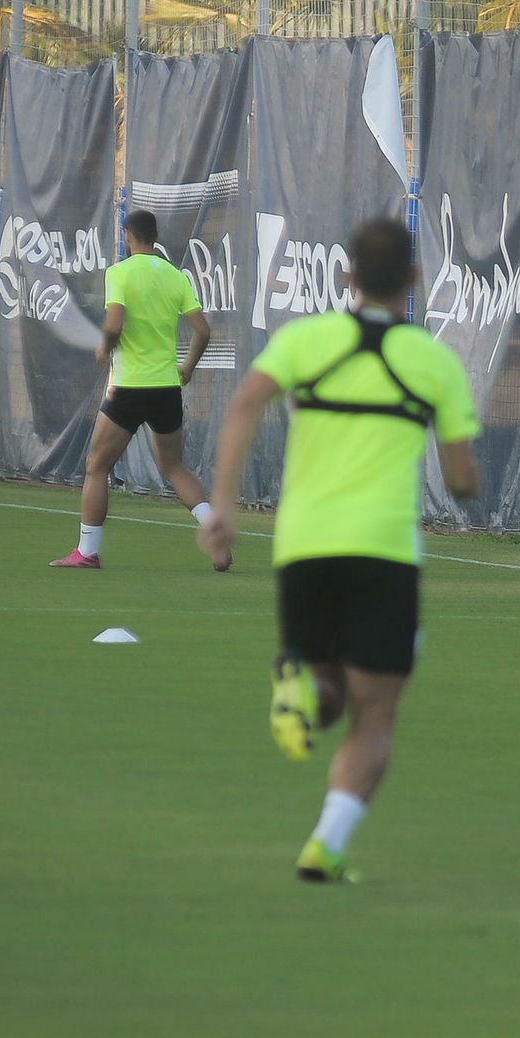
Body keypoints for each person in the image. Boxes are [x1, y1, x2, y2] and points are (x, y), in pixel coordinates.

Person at [200, 216, 480, 883]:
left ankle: (302, 685)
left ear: (346, 274)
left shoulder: (306, 340)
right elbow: (464, 481)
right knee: (375, 712)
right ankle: (326, 843)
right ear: (414, 279)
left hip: (305, 547)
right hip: (384, 551)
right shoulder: (436, 361)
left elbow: (243, 406)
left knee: (327, 687)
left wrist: (225, 507)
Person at [50, 208, 225, 570]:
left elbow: (114, 325)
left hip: (129, 388)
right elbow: (204, 332)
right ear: (154, 236)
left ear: (128, 235)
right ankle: (216, 536)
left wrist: (104, 346)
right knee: (175, 467)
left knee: (96, 465)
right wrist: (187, 368)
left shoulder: (120, 273)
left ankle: (86, 552)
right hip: (166, 388)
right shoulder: (176, 277)